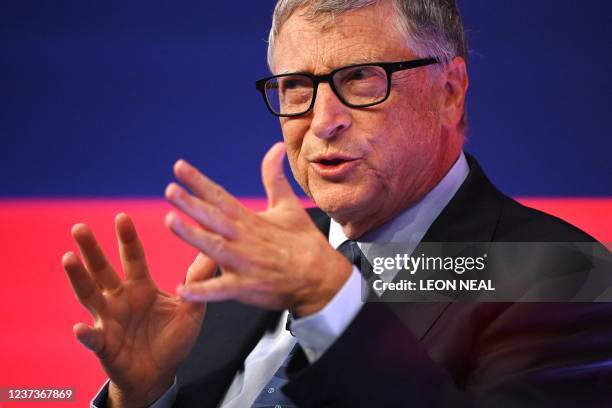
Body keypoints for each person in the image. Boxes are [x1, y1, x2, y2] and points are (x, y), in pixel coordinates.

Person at [62, 1, 612, 407]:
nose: (323, 121)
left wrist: (332, 303)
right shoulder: (248, 265)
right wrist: (147, 393)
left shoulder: (565, 278)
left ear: (450, 92)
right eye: (297, 86)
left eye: (361, 79)